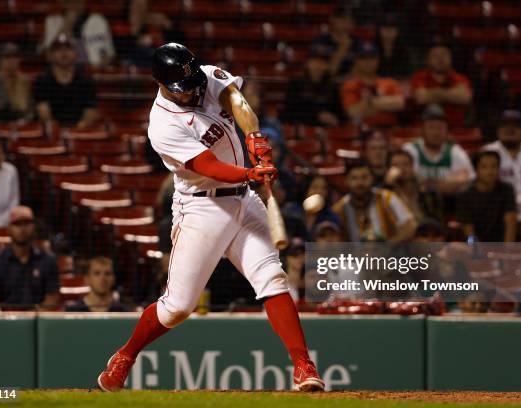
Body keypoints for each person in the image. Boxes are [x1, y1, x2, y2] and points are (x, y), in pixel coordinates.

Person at [97, 43, 324, 392]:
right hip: (201, 208)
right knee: (178, 307)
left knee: (272, 279)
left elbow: (237, 101)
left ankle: (303, 366)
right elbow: (209, 168)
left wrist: (255, 138)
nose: (191, 91)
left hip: (244, 201)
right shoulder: (161, 125)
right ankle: (126, 355)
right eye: (182, 88)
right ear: (161, 84)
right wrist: (251, 174)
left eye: (192, 84)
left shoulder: (202, 75)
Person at [0, 206, 60, 309]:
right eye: (17, 224)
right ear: (9, 229)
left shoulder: (48, 260)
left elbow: (52, 297)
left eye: (27, 224)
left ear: (33, 226)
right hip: (6, 321)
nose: (23, 229)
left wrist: (35, 319)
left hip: (37, 320)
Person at [332, 158, 417, 242]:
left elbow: (410, 227)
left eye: (364, 177)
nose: (360, 183)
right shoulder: (340, 209)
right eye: (354, 178)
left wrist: (388, 248)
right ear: (346, 181)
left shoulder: (387, 198)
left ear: (372, 178)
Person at [403, 104, 474, 194]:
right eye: (431, 127)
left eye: (440, 127)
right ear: (422, 129)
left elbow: (467, 181)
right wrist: (448, 184)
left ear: (446, 130)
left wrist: (427, 183)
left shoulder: (455, 151)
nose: (436, 132)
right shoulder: (410, 150)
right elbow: (406, 182)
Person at [34, 34, 99, 129]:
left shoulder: (86, 81)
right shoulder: (42, 80)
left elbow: (91, 111)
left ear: (76, 54)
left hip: (79, 130)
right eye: (58, 49)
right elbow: (44, 113)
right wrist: (57, 130)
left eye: (68, 49)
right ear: (50, 55)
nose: (64, 53)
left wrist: (79, 128)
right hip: (53, 132)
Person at [456, 151, 517, 242]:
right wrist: (476, 253)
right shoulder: (465, 194)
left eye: (494, 166)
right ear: (476, 169)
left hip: (502, 246)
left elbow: (510, 222)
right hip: (476, 248)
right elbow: (468, 232)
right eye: (484, 167)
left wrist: (508, 250)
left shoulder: (506, 190)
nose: (490, 171)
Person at [340, 42, 404, 128]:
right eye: (364, 58)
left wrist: (370, 103)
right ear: (357, 61)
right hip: (361, 132)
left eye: (372, 58)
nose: (368, 62)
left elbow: (400, 103)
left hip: (389, 130)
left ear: (378, 60)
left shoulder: (389, 82)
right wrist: (385, 104)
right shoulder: (350, 85)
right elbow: (353, 112)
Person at [411, 44, 473, 128]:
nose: (440, 59)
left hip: (456, 129)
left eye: (444, 55)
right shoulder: (419, 77)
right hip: (424, 130)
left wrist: (433, 93)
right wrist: (451, 95)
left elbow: (465, 98)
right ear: (428, 60)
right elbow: (421, 98)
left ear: (451, 58)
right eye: (435, 56)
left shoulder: (460, 78)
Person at [281, 45, 343, 127]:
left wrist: (335, 119)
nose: (318, 65)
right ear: (307, 63)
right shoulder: (295, 84)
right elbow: (288, 114)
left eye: (323, 62)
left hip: (328, 131)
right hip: (302, 130)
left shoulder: (332, 87)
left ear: (327, 66)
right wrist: (316, 116)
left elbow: (341, 115)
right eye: (315, 61)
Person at [482, 109, 521, 195]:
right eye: (505, 125)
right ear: (498, 129)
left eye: (516, 125)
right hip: (500, 206)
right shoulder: (487, 152)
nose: (510, 129)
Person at [43, 0, 115, 67]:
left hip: (94, 72)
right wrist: (67, 24)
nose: (74, 3)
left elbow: (109, 55)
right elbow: (50, 57)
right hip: (66, 73)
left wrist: (99, 67)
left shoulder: (98, 20)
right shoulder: (52, 21)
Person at [385, 149, 444, 225]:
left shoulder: (427, 193)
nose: (401, 168)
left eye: (406, 164)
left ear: (412, 167)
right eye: (395, 165)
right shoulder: (385, 194)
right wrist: (388, 184)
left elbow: (437, 221)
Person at [0, 43, 33, 125]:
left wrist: (22, 123)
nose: (12, 60)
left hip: (20, 124)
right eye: (7, 57)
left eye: (15, 56)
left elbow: (30, 110)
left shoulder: (24, 80)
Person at [311, 8, 359, 76]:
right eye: (343, 20)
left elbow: (360, 71)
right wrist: (343, 47)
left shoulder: (357, 43)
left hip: (349, 83)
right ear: (332, 19)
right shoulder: (321, 41)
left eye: (350, 22)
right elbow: (325, 73)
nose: (346, 25)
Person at [375, 13, 412, 79]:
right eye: (385, 28)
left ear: (397, 31)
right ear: (379, 30)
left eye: (392, 28)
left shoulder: (403, 50)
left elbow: (406, 72)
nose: (388, 31)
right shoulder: (373, 48)